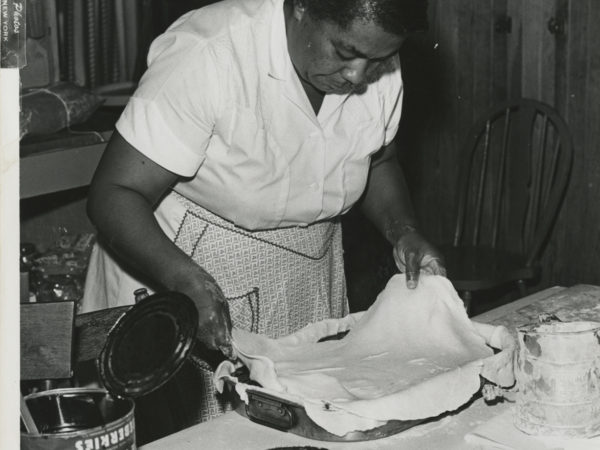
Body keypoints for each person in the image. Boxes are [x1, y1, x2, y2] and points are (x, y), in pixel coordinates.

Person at [83, 0, 445, 421]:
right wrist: (184, 281)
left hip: (304, 284)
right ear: (301, 8)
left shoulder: (372, 54)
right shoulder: (210, 53)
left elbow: (377, 158)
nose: (359, 76)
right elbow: (114, 192)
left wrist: (402, 229)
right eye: (346, 54)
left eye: (378, 60)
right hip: (181, 277)